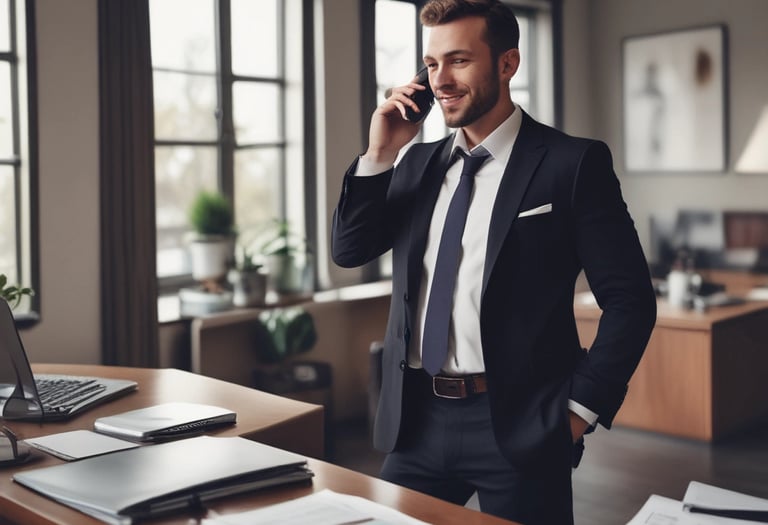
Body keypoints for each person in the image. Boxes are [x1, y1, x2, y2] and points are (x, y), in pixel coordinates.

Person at [331, 1, 657, 523]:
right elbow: (349, 251)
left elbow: (630, 302)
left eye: (458, 60)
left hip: (521, 425)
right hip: (417, 423)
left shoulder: (573, 164)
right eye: (432, 64)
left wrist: (578, 413)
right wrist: (379, 156)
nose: (441, 80)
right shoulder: (414, 162)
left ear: (508, 64)